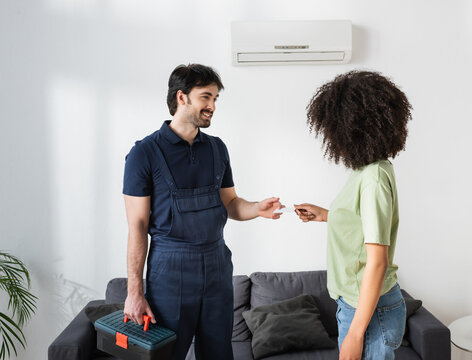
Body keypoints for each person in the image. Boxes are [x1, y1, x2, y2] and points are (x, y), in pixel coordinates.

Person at [122, 64, 282, 360]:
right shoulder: (144, 154)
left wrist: (256, 209)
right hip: (170, 271)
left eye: (216, 99)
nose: (212, 106)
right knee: (167, 354)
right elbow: (137, 226)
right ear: (181, 98)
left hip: (217, 268)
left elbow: (231, 204)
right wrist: (135, 291)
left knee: (219, 354)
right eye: (206, 97)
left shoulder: (217, 149)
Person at [294, 71, 412, 360]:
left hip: (368, 311)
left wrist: (355, 334)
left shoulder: (373, 178)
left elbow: (377, 262)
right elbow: (361, 223)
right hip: (356, 304)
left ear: (352, 126)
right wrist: (327, 215)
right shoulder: (368, 169)